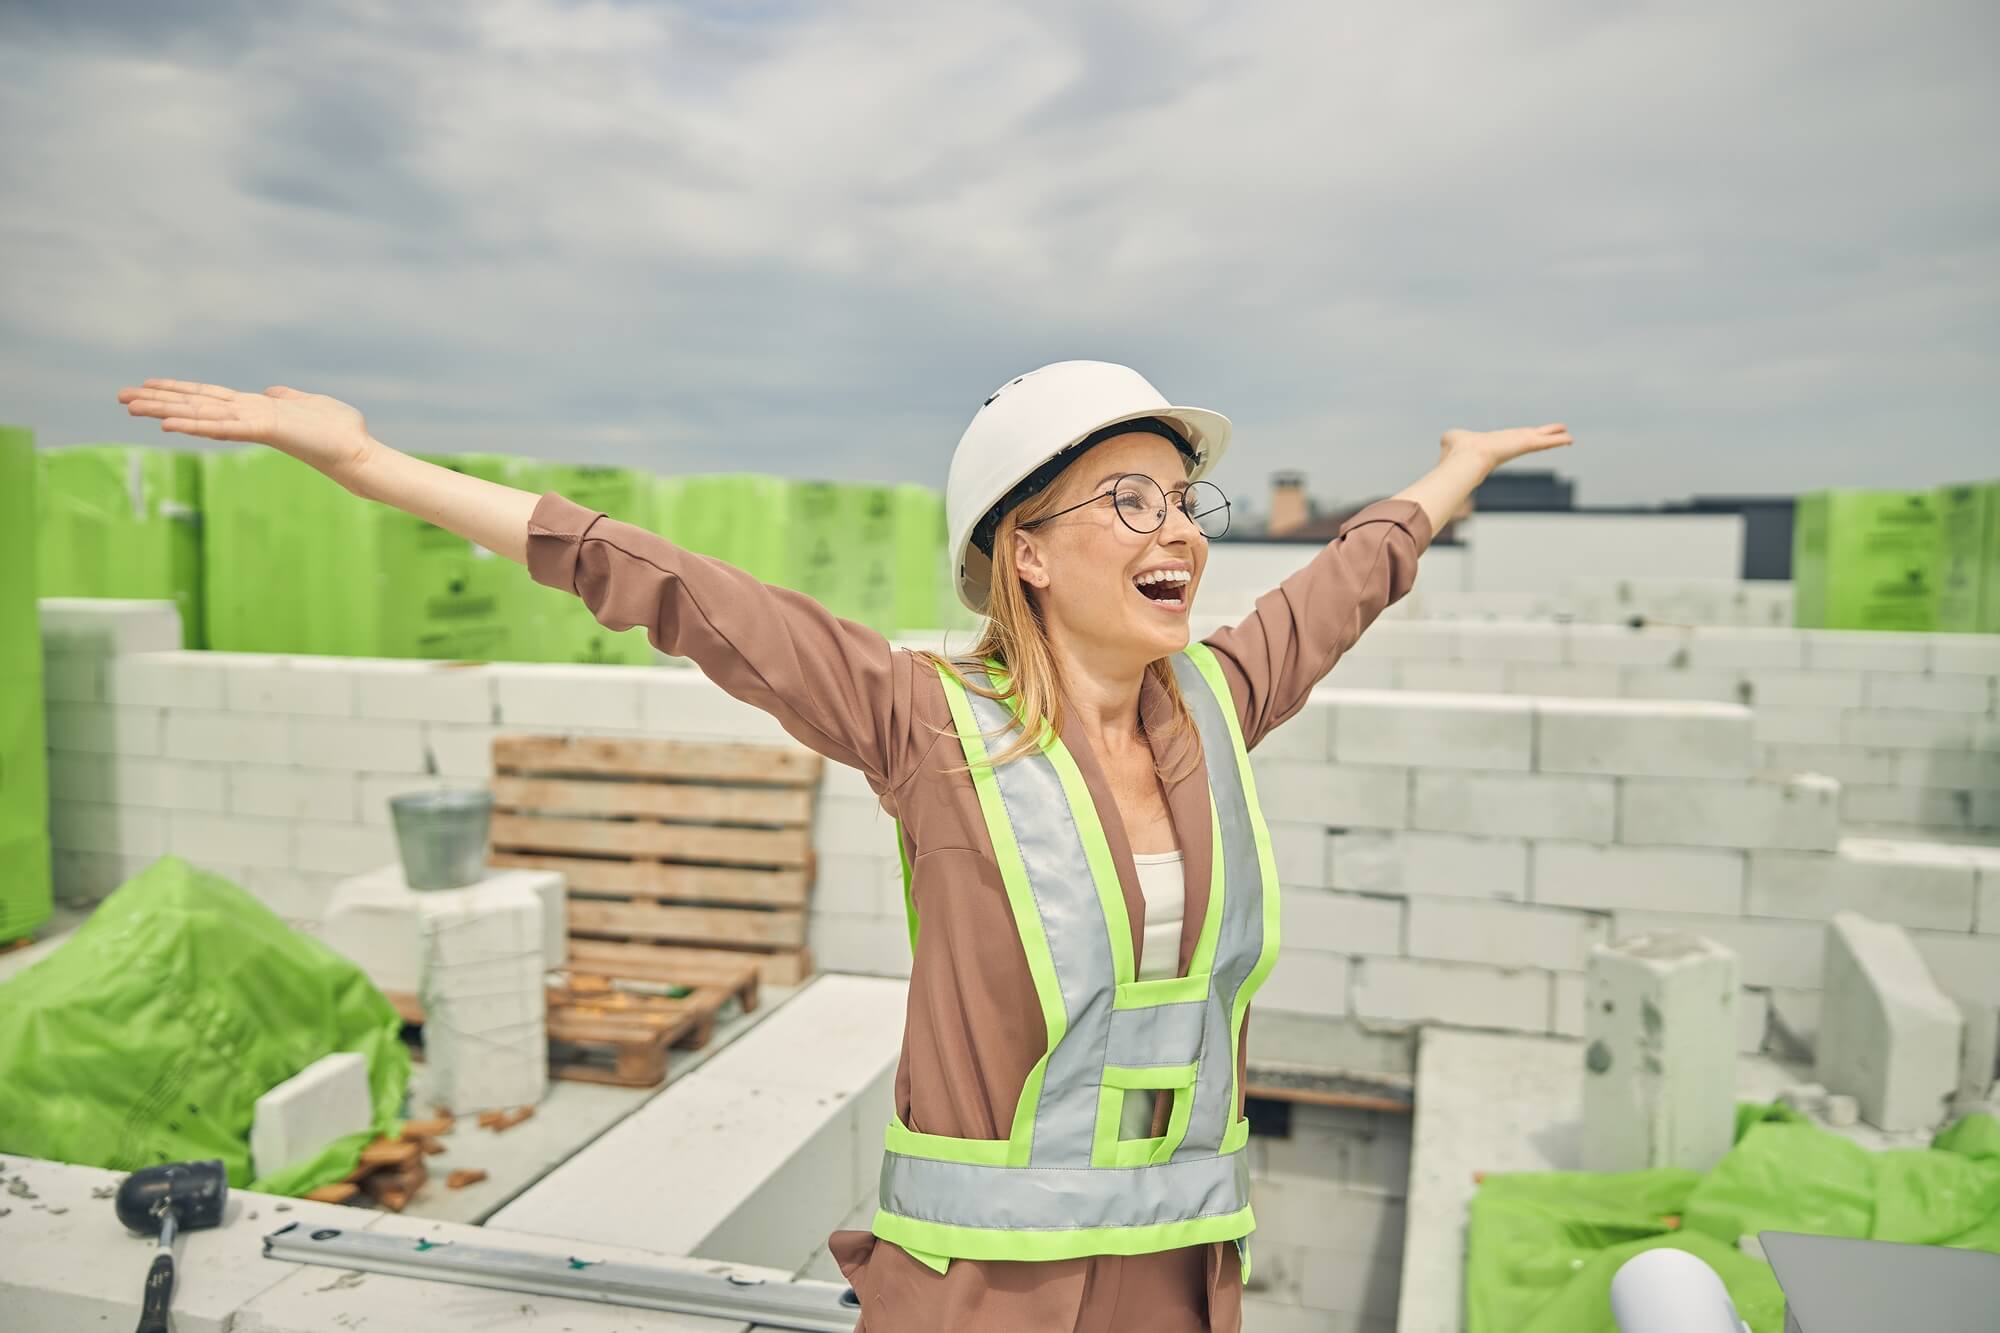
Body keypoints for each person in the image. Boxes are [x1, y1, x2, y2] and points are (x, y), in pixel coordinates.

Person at [117, 362, 1571, 1332]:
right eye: (1130, 499)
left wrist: (1453, 474)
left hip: (1181, 1281)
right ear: (1029, 550)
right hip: (984, 1301)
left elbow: (1351, 577)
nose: (1176, 525)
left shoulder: (1217, 702)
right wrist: (371, 461)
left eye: (1185, 501)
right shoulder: (927, 725)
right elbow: (672, 588)